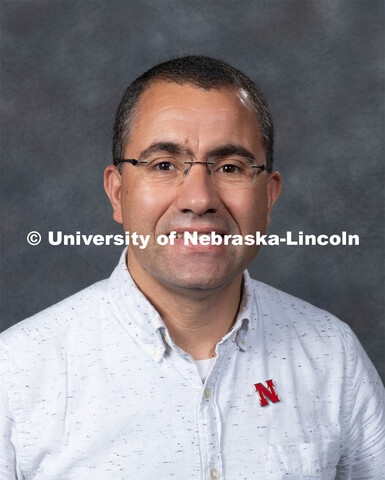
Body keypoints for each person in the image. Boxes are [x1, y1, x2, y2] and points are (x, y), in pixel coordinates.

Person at [0, 55, 384, 480]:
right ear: (117, 192)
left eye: (231, 168)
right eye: (163, 165)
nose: (199, 198)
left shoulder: (333, 356)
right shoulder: (18, 372)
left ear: (269, 197)